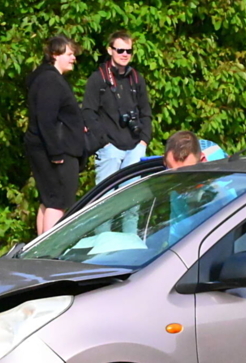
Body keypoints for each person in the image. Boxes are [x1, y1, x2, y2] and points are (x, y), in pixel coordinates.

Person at [25, 35, 85, 234]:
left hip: (48, 148)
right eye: (69, 54)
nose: (73, 58)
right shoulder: (51, 81)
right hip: (57, 150)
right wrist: (56, 153)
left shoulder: (46, 78)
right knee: (58, 201)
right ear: (54, 55)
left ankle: (39, 252)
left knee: (48, 200)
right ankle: (48, 254)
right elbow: (46, 119)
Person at [82, 31, 153, 184]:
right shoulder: (98, 78)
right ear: (110, 50)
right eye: (120, 50)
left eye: (129, 51)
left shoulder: (136, 78)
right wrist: (104, 143)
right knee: (105, 199)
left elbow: (146, 112)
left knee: (132, 199)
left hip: (135, 148)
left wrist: (143, 141)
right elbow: (88, 113)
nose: (125, 54)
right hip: (109, 150)